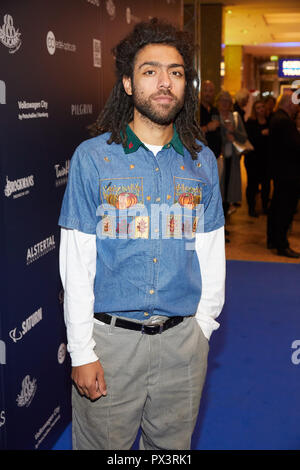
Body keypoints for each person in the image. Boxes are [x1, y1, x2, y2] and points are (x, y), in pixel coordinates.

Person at [58, 19, 226, 450]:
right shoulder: (93, 158)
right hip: (111, 346)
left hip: (182, 345)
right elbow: (77, 263)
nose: (164, 82)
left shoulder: (201, 161)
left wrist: (203, 327)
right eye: (150, 71)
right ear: (129, 85)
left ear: (185, 85)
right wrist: (82, 351)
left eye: (175, 72)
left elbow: (211, 251)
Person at [267, 90, 300, 258]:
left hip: (282, 171)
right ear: (289, 103)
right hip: (288, 173)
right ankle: (282, 244)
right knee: (284, 209)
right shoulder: (284, 121)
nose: (298, 107)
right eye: (296, 103)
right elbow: (295, 147)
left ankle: (273, 239)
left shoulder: (278, 118)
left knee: (277, 207)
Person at [217, 90, 248, 227]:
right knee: (218, 190)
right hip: (218, 157)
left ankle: (224, 224)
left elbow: (244, 137)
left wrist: (233, 132)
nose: (224, 103)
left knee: (228, 190)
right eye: (222, 100)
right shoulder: (214, 116)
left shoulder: (235, 117)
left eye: (227, 101)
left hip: (232, 159)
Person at [244, 100, 270, 217]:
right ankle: (251, 208)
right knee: (252, 185)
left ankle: (265, 207)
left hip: (266, 159)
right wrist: (261, 134)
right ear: (254, 110)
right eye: (258, 107)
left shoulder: (270, 121)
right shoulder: (250, 122)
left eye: (262, 107)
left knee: (266, 184)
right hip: (253, 159)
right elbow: (248, 140)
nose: (261, 109)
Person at [199, 80, 222, 160]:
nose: (208, 94)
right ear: (200, 92)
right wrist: (207, 128)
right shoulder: (196, 111)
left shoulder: (215, 110)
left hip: (215, 156)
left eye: (211, 91)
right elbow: (189, 133)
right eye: (205, 91)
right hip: (200, 157)